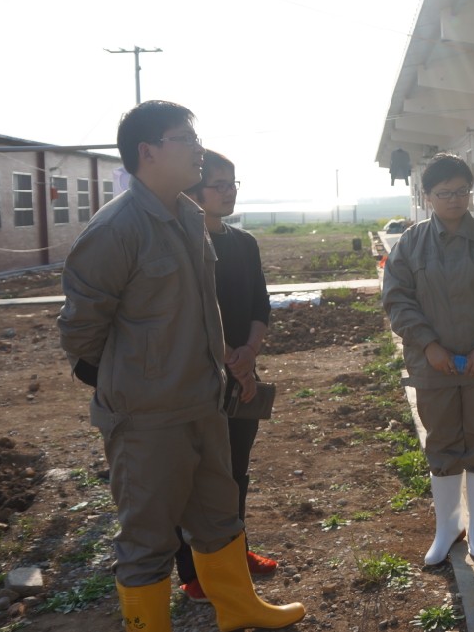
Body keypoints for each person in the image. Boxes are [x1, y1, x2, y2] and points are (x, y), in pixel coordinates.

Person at [57, 101, 304, 632]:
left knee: (219, 515)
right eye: (184, 139)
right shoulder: (116, 228)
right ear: (148, 152)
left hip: (202, 400)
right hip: (147, 416)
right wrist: (132, 381)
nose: (197, 148)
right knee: (148, 537)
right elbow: (80, 330)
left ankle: (237, 609)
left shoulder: (189, 217)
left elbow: (206, 312)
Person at [382, 153, 474, 565]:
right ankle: (448, 527)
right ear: (426, 196)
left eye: (462, 191)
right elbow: (397, 298)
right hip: (433, 364)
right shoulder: (410, 243)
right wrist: (428, 345)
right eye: (444, 193)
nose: (455, 200)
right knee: (443, 440)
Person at [173, 150, 279, 602]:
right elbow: (189, 313)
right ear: (194, 192)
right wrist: (228, 358)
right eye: (220, 184)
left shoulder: (244, 243)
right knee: (193, 476)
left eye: (234, 183)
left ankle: (237, 554)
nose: (229, 191)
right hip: (195, 377)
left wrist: (248, 355)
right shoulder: (181, 245)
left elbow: (259, 305)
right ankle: (193, 571)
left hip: (240, 376)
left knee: (236, 471)